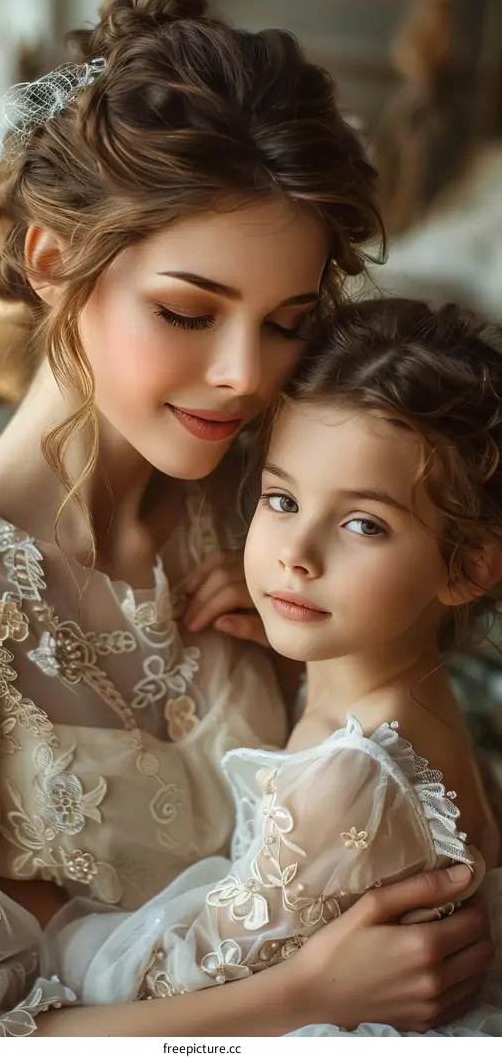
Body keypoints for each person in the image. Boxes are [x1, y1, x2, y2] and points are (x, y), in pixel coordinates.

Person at [0, 0, 491, 1038]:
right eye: (187, 311)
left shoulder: (284, 513)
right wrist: (296, 1000)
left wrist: (329, 649)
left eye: (286, 322)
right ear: (53, 261)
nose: (242, 375)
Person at [45, 297, 502, 1038]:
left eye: (363, 524)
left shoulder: (347, 776)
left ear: (468, 568)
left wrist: (47, 919)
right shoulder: (416, 702)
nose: (297, 555)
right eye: (282, 499)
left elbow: (174, 992)